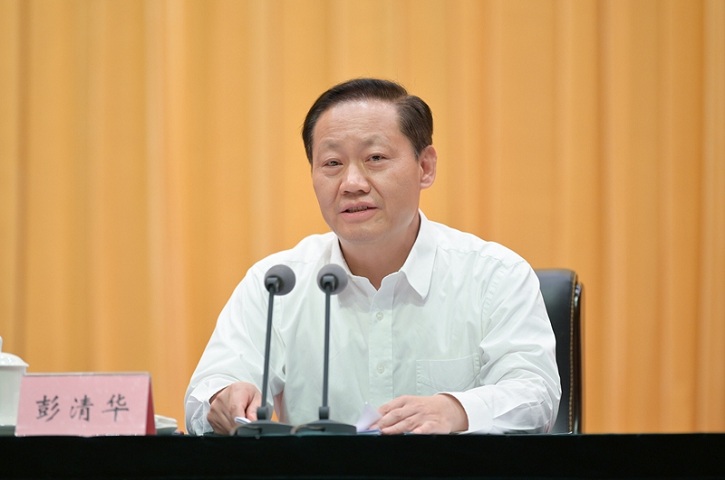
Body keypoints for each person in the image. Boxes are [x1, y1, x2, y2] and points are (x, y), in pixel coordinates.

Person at [185, 78, 560, 435]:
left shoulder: (495, 276)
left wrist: (455, 409)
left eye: (375, 158)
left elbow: (535, 393)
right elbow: (207, 393)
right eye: (332, 163)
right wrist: (223, 399)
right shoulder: (278, 284)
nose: (352, 184)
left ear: (425, 167)